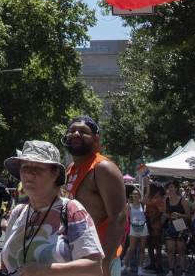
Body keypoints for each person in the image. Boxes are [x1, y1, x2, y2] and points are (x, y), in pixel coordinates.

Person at [0, 140, 103, 275]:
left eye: (37, 169)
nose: (29, 174)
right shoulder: (18, 212)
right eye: (25, 168)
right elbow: (10, 266)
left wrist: (45, 270)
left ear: (54, 174)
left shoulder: (72, 210)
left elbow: (94, 267)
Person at [64, 116, 126, 276]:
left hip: (99, 262)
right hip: (74, 259)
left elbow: (119, 217)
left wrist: (104, 263)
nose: (76, 133)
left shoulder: (103, 168)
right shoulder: (70, 169)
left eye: (83, 131)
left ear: (96, 139)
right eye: (72, 130)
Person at [162, 182, 191, 276]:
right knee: (170, 249)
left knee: (181, 249)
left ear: (176, 189)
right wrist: (169, 215)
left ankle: (183, 271)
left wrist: (179, 215)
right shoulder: (166, 200)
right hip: (170, 225)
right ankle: (171, 270)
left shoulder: (183, 200)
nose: (170, 189)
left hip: (180, 225)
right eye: (168, 187)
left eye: (171, 187)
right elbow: (164, 213)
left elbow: (188, 216)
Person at [122, 190, 148, 274]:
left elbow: (147, 194)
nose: (135, 195)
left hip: (143, 226)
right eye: (134, 193)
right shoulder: (129, 205)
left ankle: (140, 268)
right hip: (133, 227)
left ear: (139, 196)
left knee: (142, 248)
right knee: (131, 248)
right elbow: (126, 219)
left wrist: (147, 183)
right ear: (132, 195)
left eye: (137, 194)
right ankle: (125, 264)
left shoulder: (142, 204)